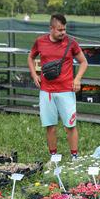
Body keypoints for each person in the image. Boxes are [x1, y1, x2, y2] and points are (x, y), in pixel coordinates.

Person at [28, 14, 88, 159]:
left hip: (66, 91)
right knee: (50, 126)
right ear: (51, 28)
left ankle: (75, 157)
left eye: (64, 29)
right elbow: (30, 57)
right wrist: (34, 74)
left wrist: (77, 79)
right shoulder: (40, 42)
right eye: (59, 30)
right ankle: (53, 157)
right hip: (46, 91)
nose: (63, 33)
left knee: (70, 126)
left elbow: (84, 62)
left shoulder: (71, 43)